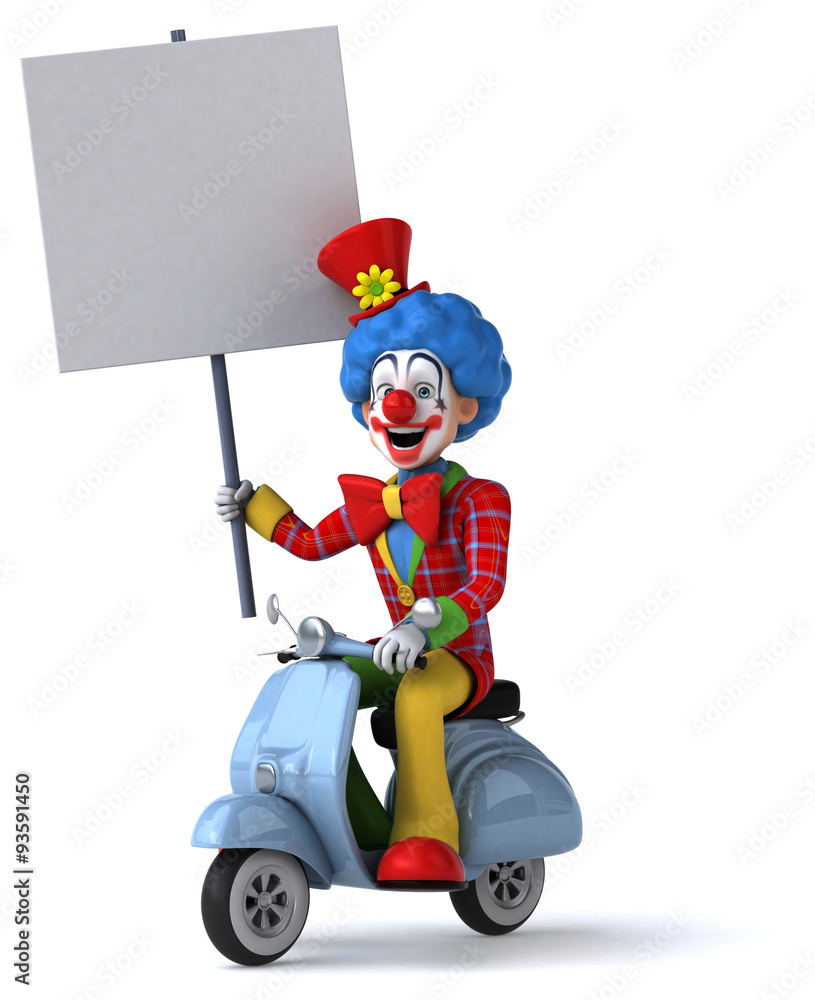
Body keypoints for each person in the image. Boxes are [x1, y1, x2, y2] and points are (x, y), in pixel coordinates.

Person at [216, 218, 511, 887]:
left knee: (415, 699)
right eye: (384, 392)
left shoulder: (479, 498)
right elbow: (310, 542)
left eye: (424, 390)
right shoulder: (375, 504)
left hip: (459, 659)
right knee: (323, 687)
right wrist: (252, 505)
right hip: (394, 648)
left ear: (464, 404)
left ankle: (427, 834)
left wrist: (426, 624)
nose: (400, 405)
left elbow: (485, 587)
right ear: (368, 407)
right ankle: (358, 827)